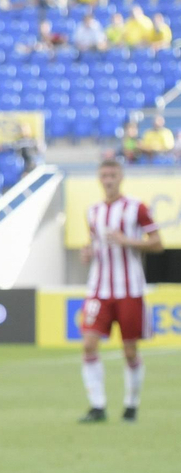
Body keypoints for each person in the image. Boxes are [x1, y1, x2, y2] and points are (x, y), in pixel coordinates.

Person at [78, 157, 162, 423]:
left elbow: (158, 243)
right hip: (99, 289)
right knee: (89, 344)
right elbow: (92, 244)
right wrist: (87, 253)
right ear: (99, 179)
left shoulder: (136, 208)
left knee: (130, 351)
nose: (109, 180)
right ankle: (98, 406)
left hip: (130, 289)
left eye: (113, 175)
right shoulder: (92, 212)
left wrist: (127, 241)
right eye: (104, 175)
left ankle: (131, 405)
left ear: (121, 177)